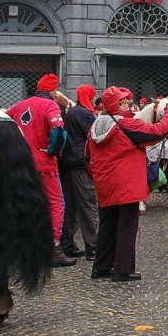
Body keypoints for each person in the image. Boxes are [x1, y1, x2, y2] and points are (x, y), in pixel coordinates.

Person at [88, 86, 168, 281]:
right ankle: (122, 269)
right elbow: (158, 131)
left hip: (104, 183)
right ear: (117, 105)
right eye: (123, 101)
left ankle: (101, 267)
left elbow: (88, 155)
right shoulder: (126, 125)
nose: (127, 102)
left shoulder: (95, 126)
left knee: (107, 225)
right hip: (126, 184)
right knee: (127, 226)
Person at [6, 73, 75, 267]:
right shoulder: (50, 105)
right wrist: (52, 151)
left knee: (26, 204)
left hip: (21, 163)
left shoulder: (20, 105)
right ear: (52, 90)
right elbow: (59, 130)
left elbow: (2, 122)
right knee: (55, 204)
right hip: (44, 165)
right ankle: (53, 248)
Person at [59, 84, 99, 261]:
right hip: (80, 165)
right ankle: (94, 247)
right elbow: (94, 136)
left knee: (71, 206)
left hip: (67, 164)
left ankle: (68, 244)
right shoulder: (83, 114)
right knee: (87, 204)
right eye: (92, 96)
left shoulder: (71, 113)